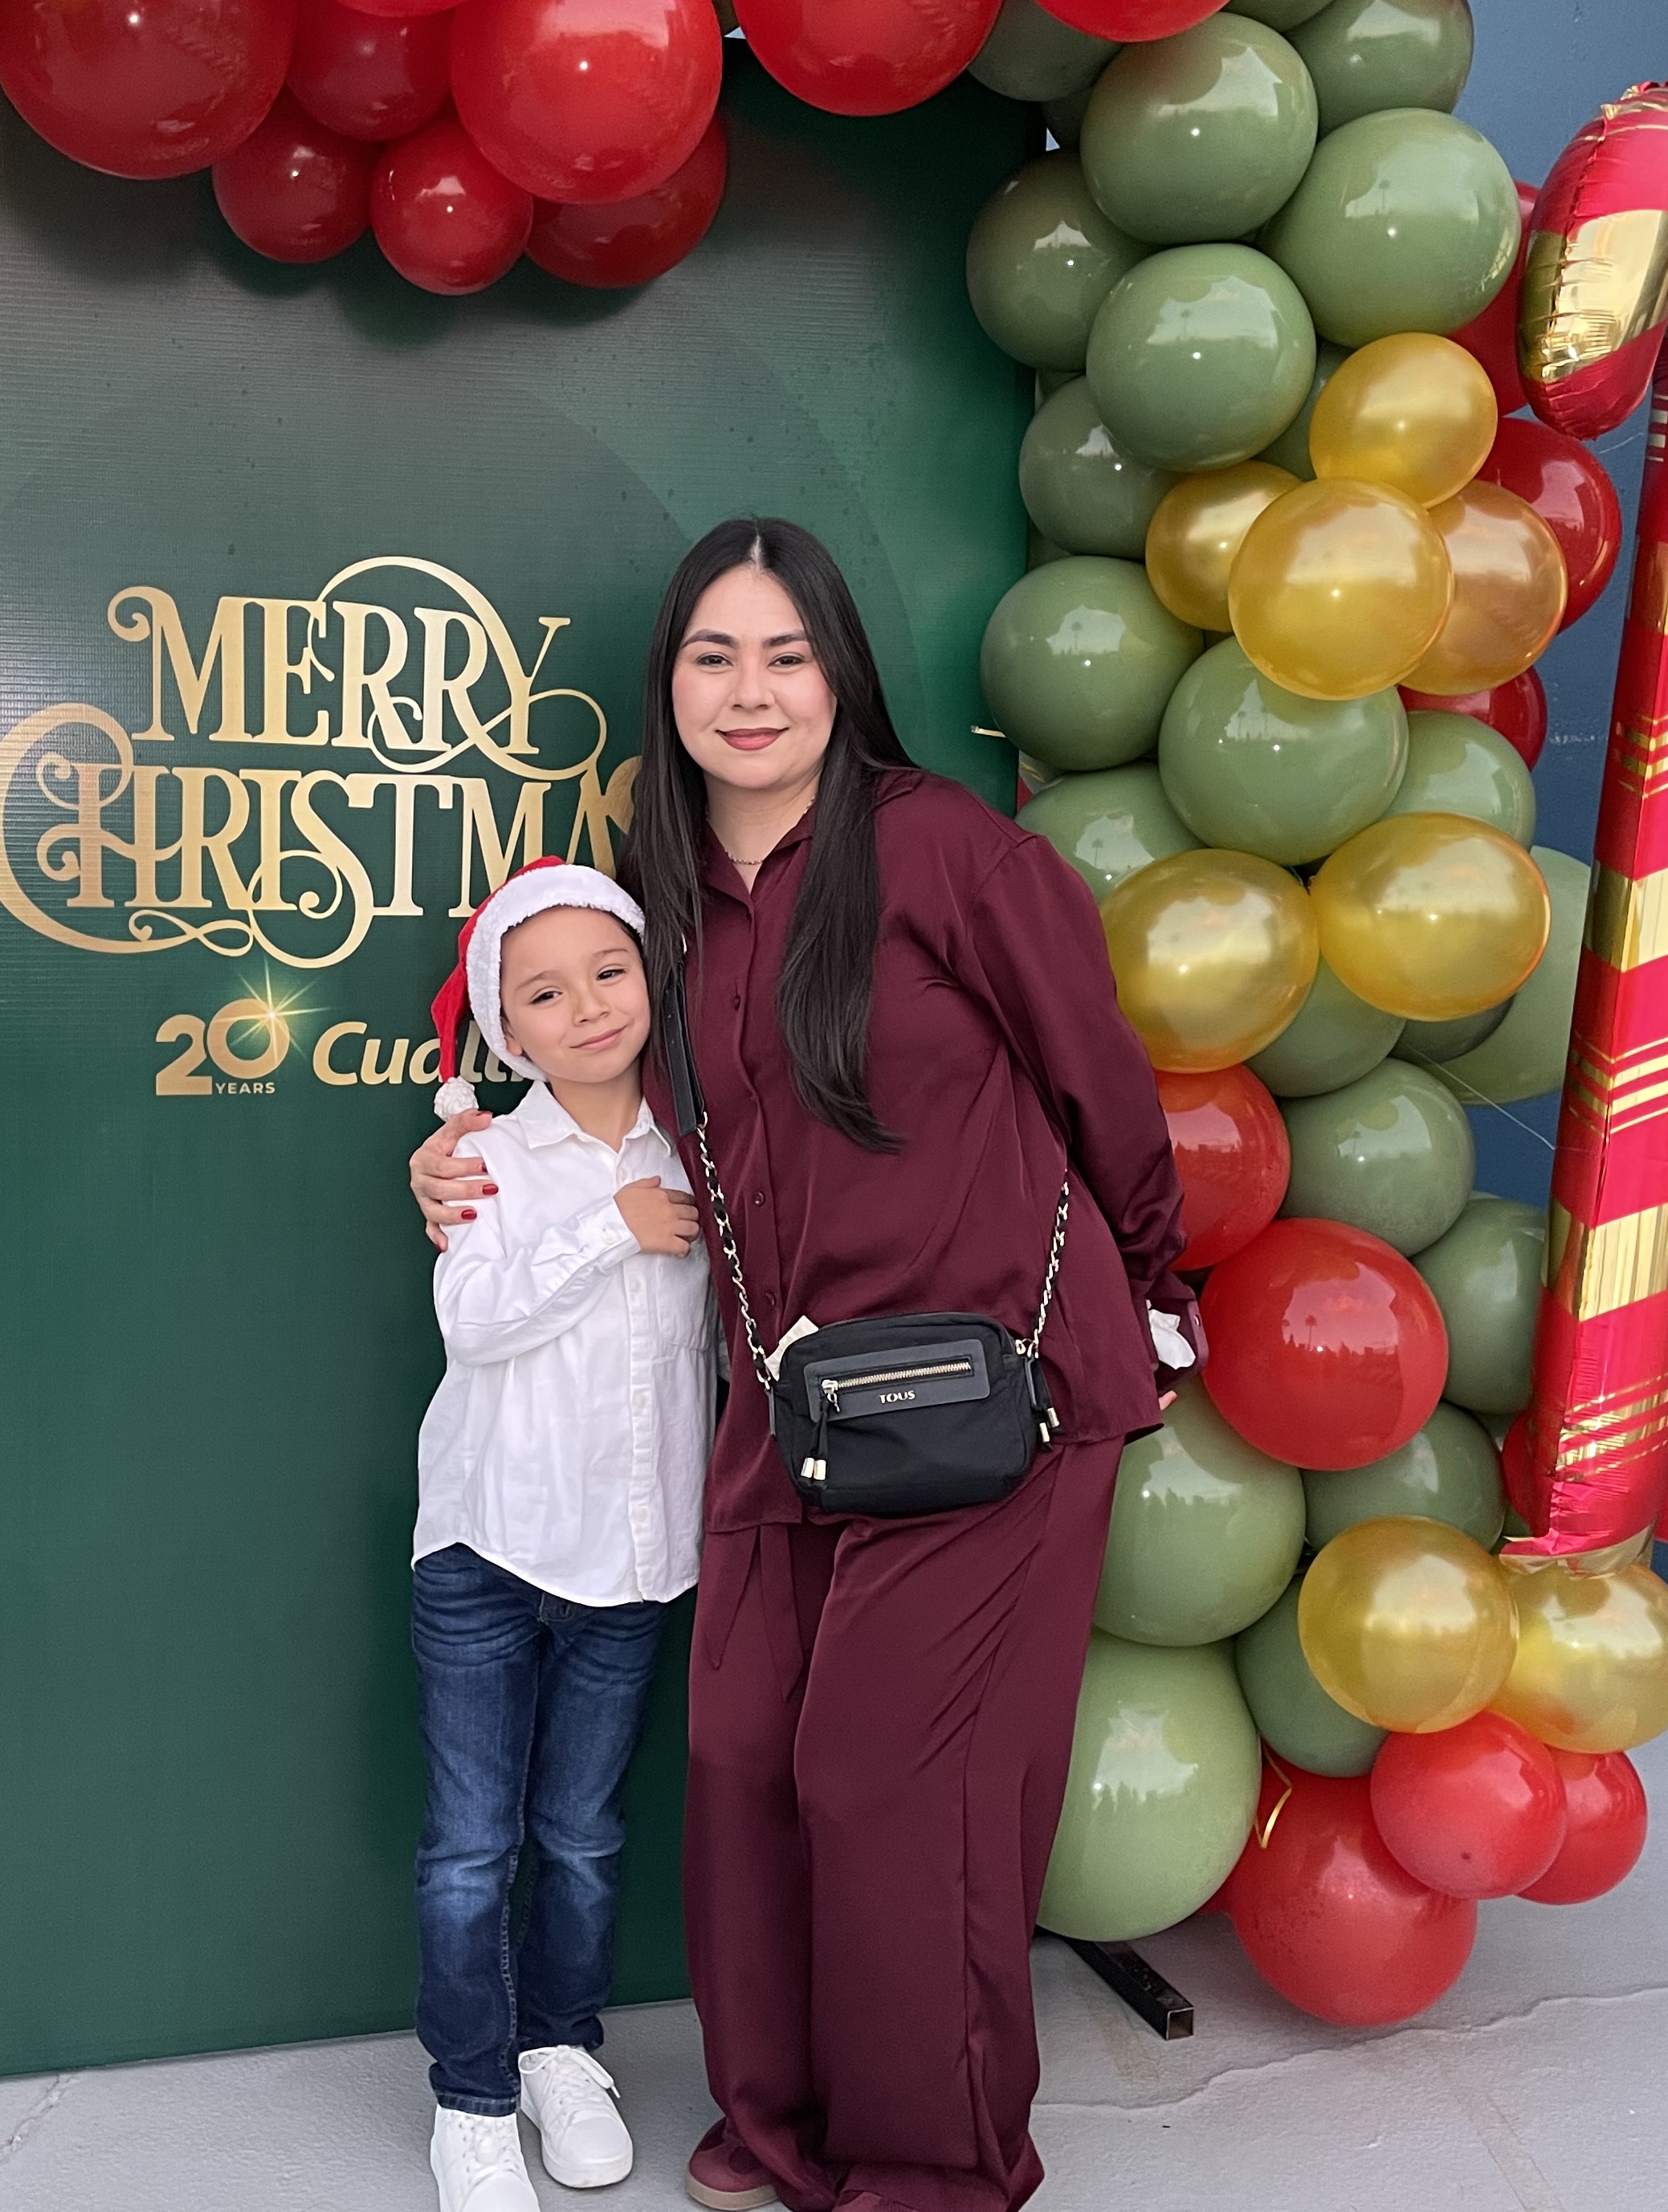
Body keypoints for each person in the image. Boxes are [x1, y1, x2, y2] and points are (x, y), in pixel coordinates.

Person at [412, 521, 1195, 2212]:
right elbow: (578, 1063)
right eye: (715, 656)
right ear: (670, 683)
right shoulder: (660, 893)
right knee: (748, 1760)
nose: (751, 690)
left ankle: (932, 2161)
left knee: (895, 1778)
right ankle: (781, 2123)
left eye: (788, 653)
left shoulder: (949, 853)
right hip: (788, 1394)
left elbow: (1104, 1086)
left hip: (991, 1394)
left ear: (842, 674)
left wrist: (1151, 1287)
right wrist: (461, 1152)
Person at [411, 859, 711, 2212]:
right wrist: (609, 1230)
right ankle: (470, 2101)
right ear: (507, 1029)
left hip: (634, 1562)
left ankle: (558, 2051)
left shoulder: (701, 1148)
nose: (586, 1007)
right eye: (544, 992)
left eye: (608, 972)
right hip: (490, 1550)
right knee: (472, 1846)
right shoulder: (486, 1156)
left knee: (584, 1835)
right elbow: (473, 1325)